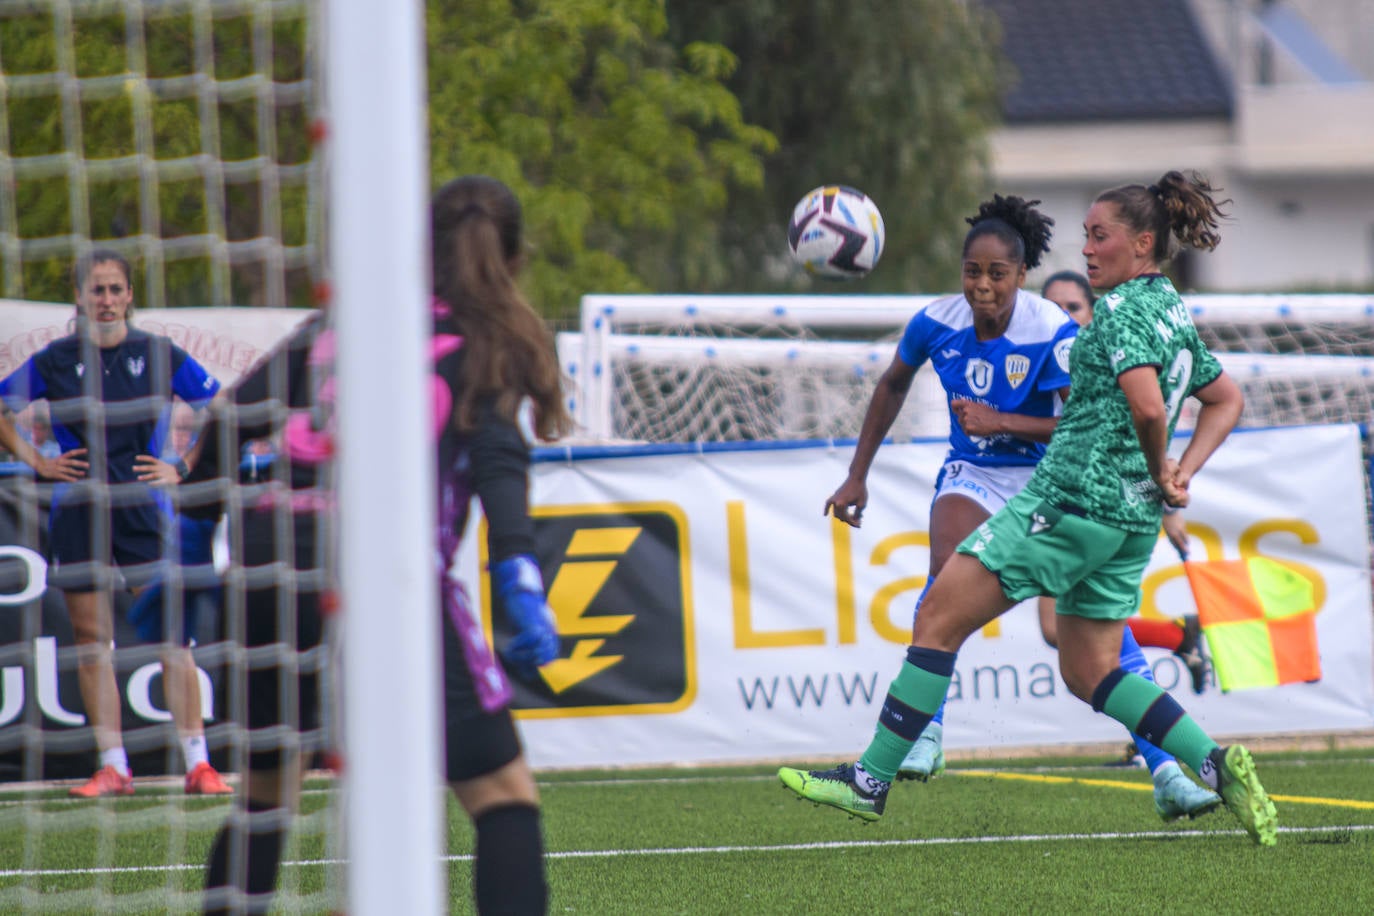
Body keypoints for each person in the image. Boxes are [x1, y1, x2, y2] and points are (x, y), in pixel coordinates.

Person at [783, 170, 1278, 847]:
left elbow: (1147, 407)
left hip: (1071, 501)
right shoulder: (1169, 307)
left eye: (1099, 236)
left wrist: (1163, 461)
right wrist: (1174, 474)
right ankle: (1216, 765)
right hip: (1128, 522)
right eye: (1086, 236)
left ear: (1142, 242)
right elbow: (1226, 398)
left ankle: (870, 780)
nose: (1087, 249)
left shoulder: (1118, 312)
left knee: (937, 615)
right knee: (1090, 670)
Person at [202, 174, 567, 914]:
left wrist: (185, 536)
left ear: (420, 247)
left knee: (266, 794)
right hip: (381, 571)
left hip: (268, 564)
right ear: (513, 258)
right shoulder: (487, 345)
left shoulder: (344, 324)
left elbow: (230, 420)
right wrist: (519, 574)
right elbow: (499, 464)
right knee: (502, 794)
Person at [0, 250, 231, 798]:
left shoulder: (158, 353)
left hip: (144, 512)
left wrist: (184, 465)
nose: (105, 300)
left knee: (171, 638)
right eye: (96, 290)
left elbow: (221, 408)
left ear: (130, 295)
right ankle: (113, 767)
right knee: (90, 641)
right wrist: (38, 463)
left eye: (114, 289)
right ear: (79, 297)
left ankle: (199, 764)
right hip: (78, 512)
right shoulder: (56, 359)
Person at [1043, 269, 1210, 696]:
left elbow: (1140, 429)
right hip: (1055, 499)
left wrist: (1167, 504)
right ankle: (1178, 640)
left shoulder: (1109, 356)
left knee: (1088, 631)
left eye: (1073, 307)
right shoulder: (1045, 354)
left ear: (1093, 312)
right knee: (1059, 631)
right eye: (1053, 308)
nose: (1064, 316)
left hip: (1098, 505)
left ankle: (1154, 727)